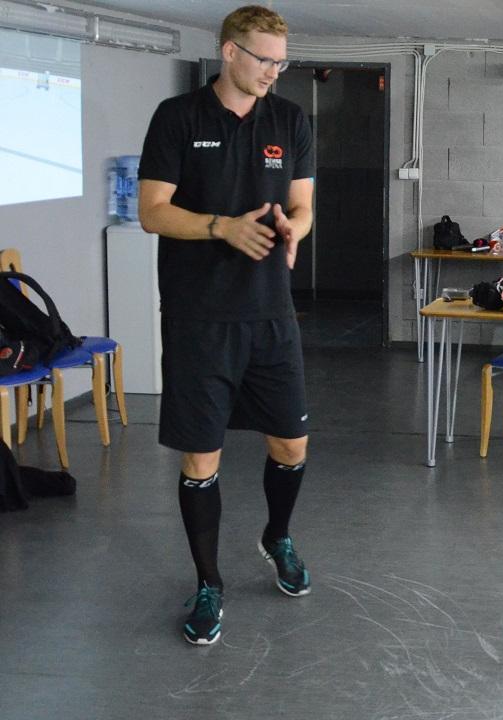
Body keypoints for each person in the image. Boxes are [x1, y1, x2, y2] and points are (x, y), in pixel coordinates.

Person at [137, 4, 314, 645]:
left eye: (281, 62)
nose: (273, 72)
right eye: (264, 59)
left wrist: (294, 228)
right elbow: (153, 211)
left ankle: (277, 536)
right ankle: (209, 582)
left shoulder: (289, 119)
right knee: (201, 454)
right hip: (200, 318)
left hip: (270, 315)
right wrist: (221, 227)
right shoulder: (178, 117)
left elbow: (302, 204)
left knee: (291, 444)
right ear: (229, 51)